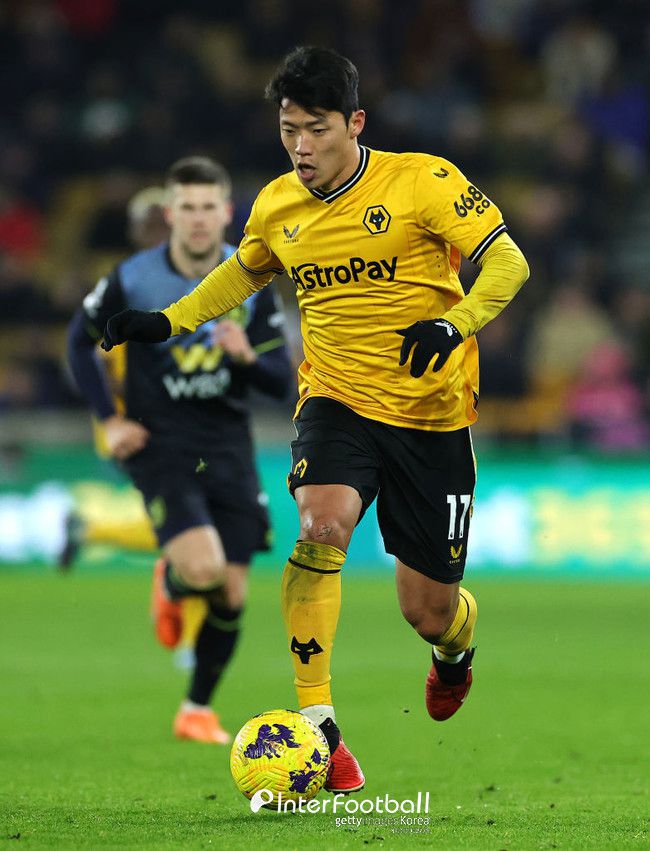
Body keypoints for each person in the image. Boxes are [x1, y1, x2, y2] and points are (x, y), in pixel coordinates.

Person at [101, 47, 530, 792]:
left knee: (428, 612)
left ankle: (455, 653)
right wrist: (168, 321)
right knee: (320, 526)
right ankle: (321, 728)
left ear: (355, 123)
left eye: (317, 129)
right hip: (335, 400)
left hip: (430, 414)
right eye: (289, 129)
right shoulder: (277, 205)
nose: (301, 146)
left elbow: (508, 263)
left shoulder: (422, 181)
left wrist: (454, 324)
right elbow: (242, 271)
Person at [67, 156, 293, 744]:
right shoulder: (132, 279)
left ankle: (195, 710)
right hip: (160, 440)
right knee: (204, 569)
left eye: (208, 207)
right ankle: (173, 579)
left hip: (228, 443)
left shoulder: (252, 279)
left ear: (227, 212)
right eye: (186, 207)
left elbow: (283, 382)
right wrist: (110, 420)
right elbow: (78, 343)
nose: (197, 218)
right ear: (170, 214)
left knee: (232, 594)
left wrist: (248, 357)